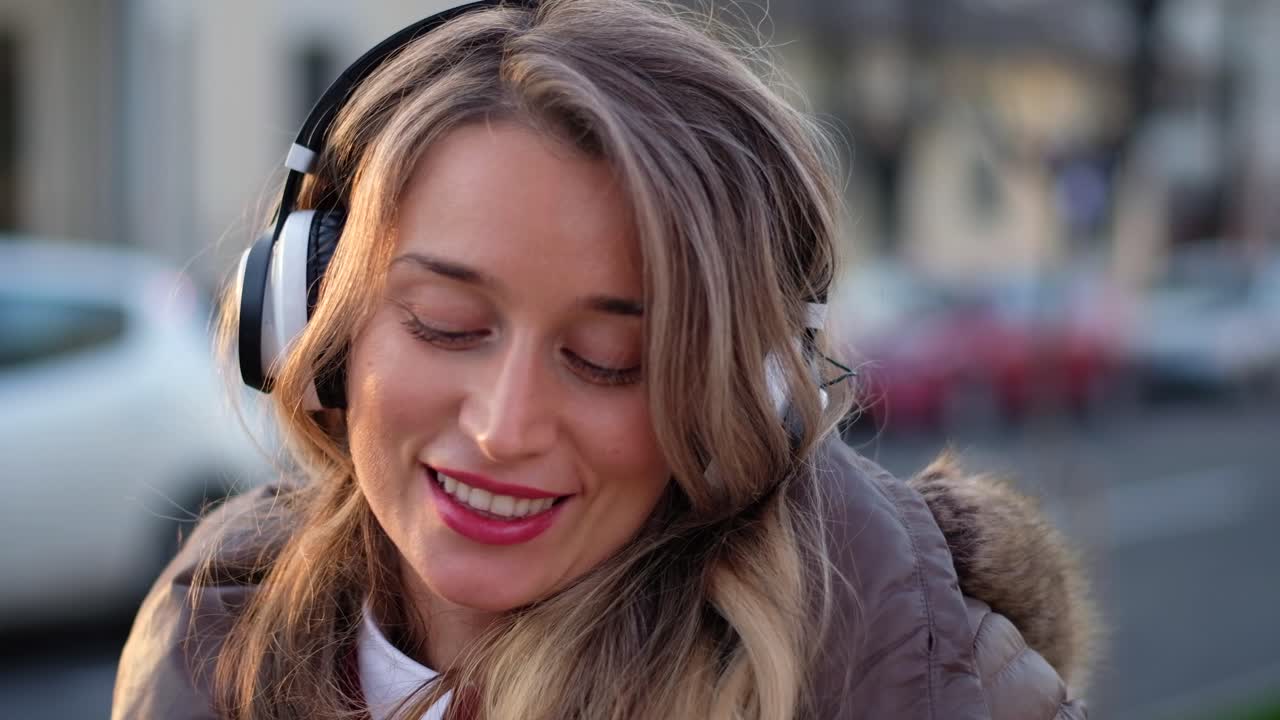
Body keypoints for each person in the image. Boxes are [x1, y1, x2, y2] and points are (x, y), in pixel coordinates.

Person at [112, 1, 1098, 718]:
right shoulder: (202, 635)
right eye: (447, 322)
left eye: (608, 357)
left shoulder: (921, 684)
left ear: (743, 402)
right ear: (313, 311)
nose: (503, 426)